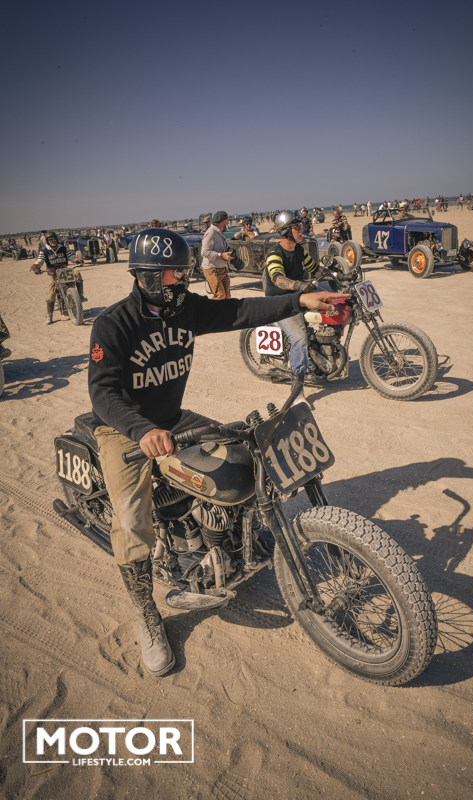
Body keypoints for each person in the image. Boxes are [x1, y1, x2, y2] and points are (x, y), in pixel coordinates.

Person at [87, 227, 348, 677]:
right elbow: (103, 393)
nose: (182, 281)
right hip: (125, 431)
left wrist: (300, 301)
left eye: (183, 272)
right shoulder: (113, 324)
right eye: (173, 274)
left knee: (242, 455)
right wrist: (141, 429)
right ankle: (147, 613)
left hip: (174, 418)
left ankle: (233, 538)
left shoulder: (185, 309)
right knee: (130, 522)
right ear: (148, 277)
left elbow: (240, 310)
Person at [263, 211, 343, 399]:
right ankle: (297, 388)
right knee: (299, 337)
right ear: (286, 231)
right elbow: (277, 278)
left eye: (301, 227)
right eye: (297, 227)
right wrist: (299, 285)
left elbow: (315, 269)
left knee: (331, 304)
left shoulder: (299, 249)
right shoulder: (275, 253)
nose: (302, 230)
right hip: (280, 300)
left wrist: (337, 276)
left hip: (298, 295)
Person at [30, 232, 86, 324]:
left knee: (77, 273)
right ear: (47, 241)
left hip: (65, 271)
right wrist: (36, 267)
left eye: (54, 239)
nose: (53, 241)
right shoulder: (44, 251)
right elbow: (39, 261)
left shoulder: (63, 248)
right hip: (54, 274)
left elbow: (71, 257)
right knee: (52, 294)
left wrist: (77, 260)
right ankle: (49, 316)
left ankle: (80, 295)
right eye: (50, 239)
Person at [200, 210, 235, 300]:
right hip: (212, 269)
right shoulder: (211, 233)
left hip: (221, 268)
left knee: (227, 296)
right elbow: (204, 252)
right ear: (223, 221)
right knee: (220, 295)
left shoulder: (218, 232)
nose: (227, 223)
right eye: (227, 221)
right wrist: (221, 255)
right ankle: (209, 309)